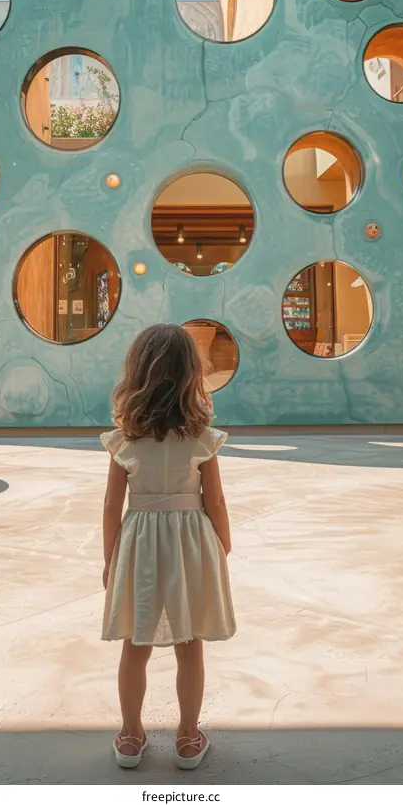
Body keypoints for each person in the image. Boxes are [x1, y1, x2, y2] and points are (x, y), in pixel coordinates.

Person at [101, 323, 236, 770]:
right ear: (189, 374)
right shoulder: (202, 436)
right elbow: (214, 499)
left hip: (139, 542)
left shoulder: (125, 437)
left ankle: (129, 735)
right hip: (190, 543)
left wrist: (110, 560)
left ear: (137, 373)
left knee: (134, 644)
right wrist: (224, 544)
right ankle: (187, 737)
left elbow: (111, 504)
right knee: (190, 642)